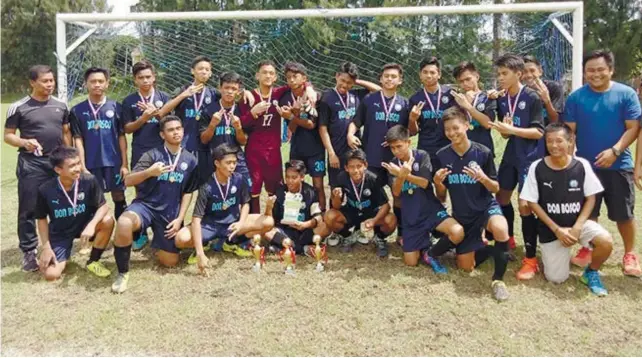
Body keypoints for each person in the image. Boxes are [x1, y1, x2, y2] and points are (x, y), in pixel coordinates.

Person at [564, 49, 641, 276]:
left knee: (623, 214)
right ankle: (589, 248)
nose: (595, 74)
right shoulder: (576, 97)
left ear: (611, 70)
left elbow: (633, 128)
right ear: (584, 72)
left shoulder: (626, 94)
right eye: (590, 70)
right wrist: (571, 162)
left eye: (600, 69)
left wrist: (615, 151)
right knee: (589, 211)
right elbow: (570, 132)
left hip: (619, 165)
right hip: (586, 168)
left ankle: (629, 254)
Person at [520, 123, 613, 295]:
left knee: (606, 241)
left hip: (578, 225)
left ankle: (591, 272)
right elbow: (532, 202)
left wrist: (577, 227)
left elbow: (591, 198)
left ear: (570, 142)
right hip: (552, 229)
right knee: (556, 279)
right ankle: (550, 255)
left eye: (559, 141)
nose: (554, 145)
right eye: (549, 141)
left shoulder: (581, 165)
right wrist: (557, 230)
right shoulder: (537, 167)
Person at [112, 115, 199, 293]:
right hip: (145, 206)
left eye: (178, 128)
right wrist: (149, 172)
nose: (176, 133)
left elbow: (187, 193)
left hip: (169, 212)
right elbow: (127, 181)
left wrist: (180, 218)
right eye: (170, 130)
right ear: (162, 134)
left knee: (170, 262)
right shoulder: (152, 155)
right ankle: (122, 273)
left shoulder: (190, 160)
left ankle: (158, 243)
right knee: (123, 222)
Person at [433, 107, 511, 301]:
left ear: (467, 126)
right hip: (463, 215)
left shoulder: (483, 152)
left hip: (485, 209)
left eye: (455, 128)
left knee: (501, 228)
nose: (451, 133)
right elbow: (442, 197)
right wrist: (437, 183)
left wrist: (483, 178)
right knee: (465, 267)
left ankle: (498, 281)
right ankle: (491, 250)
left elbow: (495, 188)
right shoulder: (442, 155)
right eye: (447, 130)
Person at [4, 64, 72, 271]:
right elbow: (8, 135)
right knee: (29, 208)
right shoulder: (19, 107)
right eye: (45, 81)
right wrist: (25, 142)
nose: (49, 84)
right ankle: (28, 251)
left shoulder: (61, 105)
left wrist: (70, 157)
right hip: (31, 163)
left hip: (57, 163)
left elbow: (66, 132)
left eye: (51, 80)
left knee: (61, 204)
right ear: (32, 82)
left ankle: (59, 244)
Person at [174, 143, 275, 272]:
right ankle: (203, 245)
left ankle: (231, 242)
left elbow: (245, 204)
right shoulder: (206, 186)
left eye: (234, 162)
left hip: (232, 225)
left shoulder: (239, 179)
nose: (232, 166)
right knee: (180, 239)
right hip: (209, 226)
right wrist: (200, 253)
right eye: (228, 163)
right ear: (217, 163)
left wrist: (241, 223)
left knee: (268, 222)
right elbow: (196, 220)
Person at [490, 54, 544, 280]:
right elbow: (504, 132)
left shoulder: (532, 97)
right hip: (511, 154)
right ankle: (509, 238)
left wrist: (512, 130)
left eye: (504, 74)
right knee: (502, 197)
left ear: (518, 74)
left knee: (525, 205)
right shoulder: (502, 99)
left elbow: (538, 131)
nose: (500, 78)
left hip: (530, 156)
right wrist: (505, 129)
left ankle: (531, 259)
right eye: (499, 74)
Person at [382, 125, 463, 272]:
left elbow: (425, 183)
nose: (396, 151)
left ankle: (431, 254)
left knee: (457, 232)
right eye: (392, 148)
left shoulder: (421, 155)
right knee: (411, 262)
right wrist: (400, 175)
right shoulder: (393, 164)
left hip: (430, 210)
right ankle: (425, 245)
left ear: (408, 142)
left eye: (399, 146)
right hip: (411, 216)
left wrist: (405, 174)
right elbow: (396, 192)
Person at [239, 60, 316, 213]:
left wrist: (310, 89)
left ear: (275, 78)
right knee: (253, 189)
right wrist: (253, 112)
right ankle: (255, 224)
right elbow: (241, 124)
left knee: (274, 189)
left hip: (273, 151)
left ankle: (274, 222)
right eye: (264, 72)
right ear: (257, 75)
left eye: (271, 73)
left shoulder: (278, 93)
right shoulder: (249, 97)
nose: (268, 75)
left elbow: (300, 82)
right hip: (253, 152)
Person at [35, 146, 114, 280]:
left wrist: (92, 225)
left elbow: (103, 206)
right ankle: (63, 251)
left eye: (78, 163)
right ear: (58, 170)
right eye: (72, 166)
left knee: (108, 220)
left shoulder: (89, 180)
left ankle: (93, 261)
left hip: (85, 227)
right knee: (51, 275)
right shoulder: (45, 189)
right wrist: (46, 248)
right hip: (61, 232)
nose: (78, 168)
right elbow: (41, 219)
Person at [122, 60, 171, 250]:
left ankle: (162, 230)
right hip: (141, 150)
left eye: (148, 77)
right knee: (141, 189)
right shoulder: (129, 101)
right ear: (135, 80)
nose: (145, 81)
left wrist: (157, 114)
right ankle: (140, 233)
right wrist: (143, 118)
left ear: (154, 77)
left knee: (164, 188)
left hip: (163, 150)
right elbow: (127, 128)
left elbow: (170, 123)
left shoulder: (164, 97)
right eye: (141, 78)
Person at [70, 67, 128, 219]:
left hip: (113, 162)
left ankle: (124, 235)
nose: (97, 84)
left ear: (107, 83)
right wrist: (82, 166)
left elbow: (122, 137)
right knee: (94, 200)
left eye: (101, 81)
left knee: (119, 196)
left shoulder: (117, 107)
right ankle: (96, 235)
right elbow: (78, 139)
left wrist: (124, 164)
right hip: (91, 163)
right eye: (93, 81)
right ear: (86, 84)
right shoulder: (77, 110)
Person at [318, 62, 381, 190]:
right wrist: (331, 154)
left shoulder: (356, 95)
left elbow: (379, 90)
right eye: (343, 80)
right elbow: (322, 128)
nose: (345, 85)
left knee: (358, 186)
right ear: (336, 76)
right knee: (337, 188)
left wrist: (356, 81)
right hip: (336, 151)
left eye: (349, 83)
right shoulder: (327, 97)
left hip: (355, 150)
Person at [324, 148, 397, 257]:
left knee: (391, 220)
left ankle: (379, 238)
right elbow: (336, 206)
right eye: (352, 167)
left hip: (371, 213)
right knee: (329, 216)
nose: (356, 170)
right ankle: (347, 236)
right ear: (346, 168)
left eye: (359, 166)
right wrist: (336, 197)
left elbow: (386, 205)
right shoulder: (341, 177)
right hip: (351, 212)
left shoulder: (373, 178)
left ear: (365, 165)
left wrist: (374, 221)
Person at [159, 55, 217, 185]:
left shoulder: (214, 94)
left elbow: (231, 97)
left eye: (207, 69)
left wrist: (245, 93)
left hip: (205, 147)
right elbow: (163, 111)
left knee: (206, 185)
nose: (204, 72)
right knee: (180, 184)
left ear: (211, 73)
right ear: (192, 71)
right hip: (184, 145)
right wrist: (183, 95)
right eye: (200, 68)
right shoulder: (182, 90)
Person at [279, 62, 326, 211]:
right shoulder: (285, 98)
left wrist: (295, 115)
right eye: (288, 78)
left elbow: (312, 125)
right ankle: (292, 217)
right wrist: (294, 116)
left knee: (318, 185)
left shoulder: (315, 96)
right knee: (293, 184)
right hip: (297, 149)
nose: (291, 80)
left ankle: (321, 217)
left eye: (295, 76)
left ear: (304, 78)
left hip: (316, 149)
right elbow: (291, 128)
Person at [264, 160, 328, 255]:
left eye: (294, 178)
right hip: (285, 232)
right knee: (265, 230)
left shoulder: (311, 192)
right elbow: (270, 220)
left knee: (325, 226)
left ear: (302, 177)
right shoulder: (279, 192)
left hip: (305, 231)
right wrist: (269, 207)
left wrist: (305, 225)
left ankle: (284, 247)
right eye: (287, 177)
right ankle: (303, 249)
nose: (290, 181)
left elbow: (318, 217)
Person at [199, 72, 250, 187]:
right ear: (220, 88)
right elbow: (204, 140)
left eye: (233, 88)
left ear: (238, 91)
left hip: (236, 159)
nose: (230, 91)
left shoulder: (241, 111)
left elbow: (243, 141)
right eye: (226, 87)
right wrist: (212, 125)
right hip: (214, 159)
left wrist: (238, 128)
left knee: (245, 189)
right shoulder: (208, 110)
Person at [408, 56, 456, 171]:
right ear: (420, 75)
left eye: (432, 72)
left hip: (449, 147)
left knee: (447, 183)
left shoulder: (450, 94)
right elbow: (413, 132)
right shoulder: (415, 99)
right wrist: (412, 119)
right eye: (425, 72)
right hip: (426, 149)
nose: (428, 76)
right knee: (426, 184)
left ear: (439, 75)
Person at [522, 55, 566, 157]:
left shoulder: (553, 88)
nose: (528, 75)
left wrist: (547, 101)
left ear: (540, 71)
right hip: (528, 142)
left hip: (550, 142)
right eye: (524, 72)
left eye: (532, 70)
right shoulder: (522, 92)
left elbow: (555, 121)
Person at [451, 61, 497, 156]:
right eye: (461, 81)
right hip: (461, 150)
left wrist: (468, 106)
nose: (465, 84)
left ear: (476, 76)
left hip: (484, 149)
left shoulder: (487, 97)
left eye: (468, 79)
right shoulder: (457, 99)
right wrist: (462, 104)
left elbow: (488, 124)